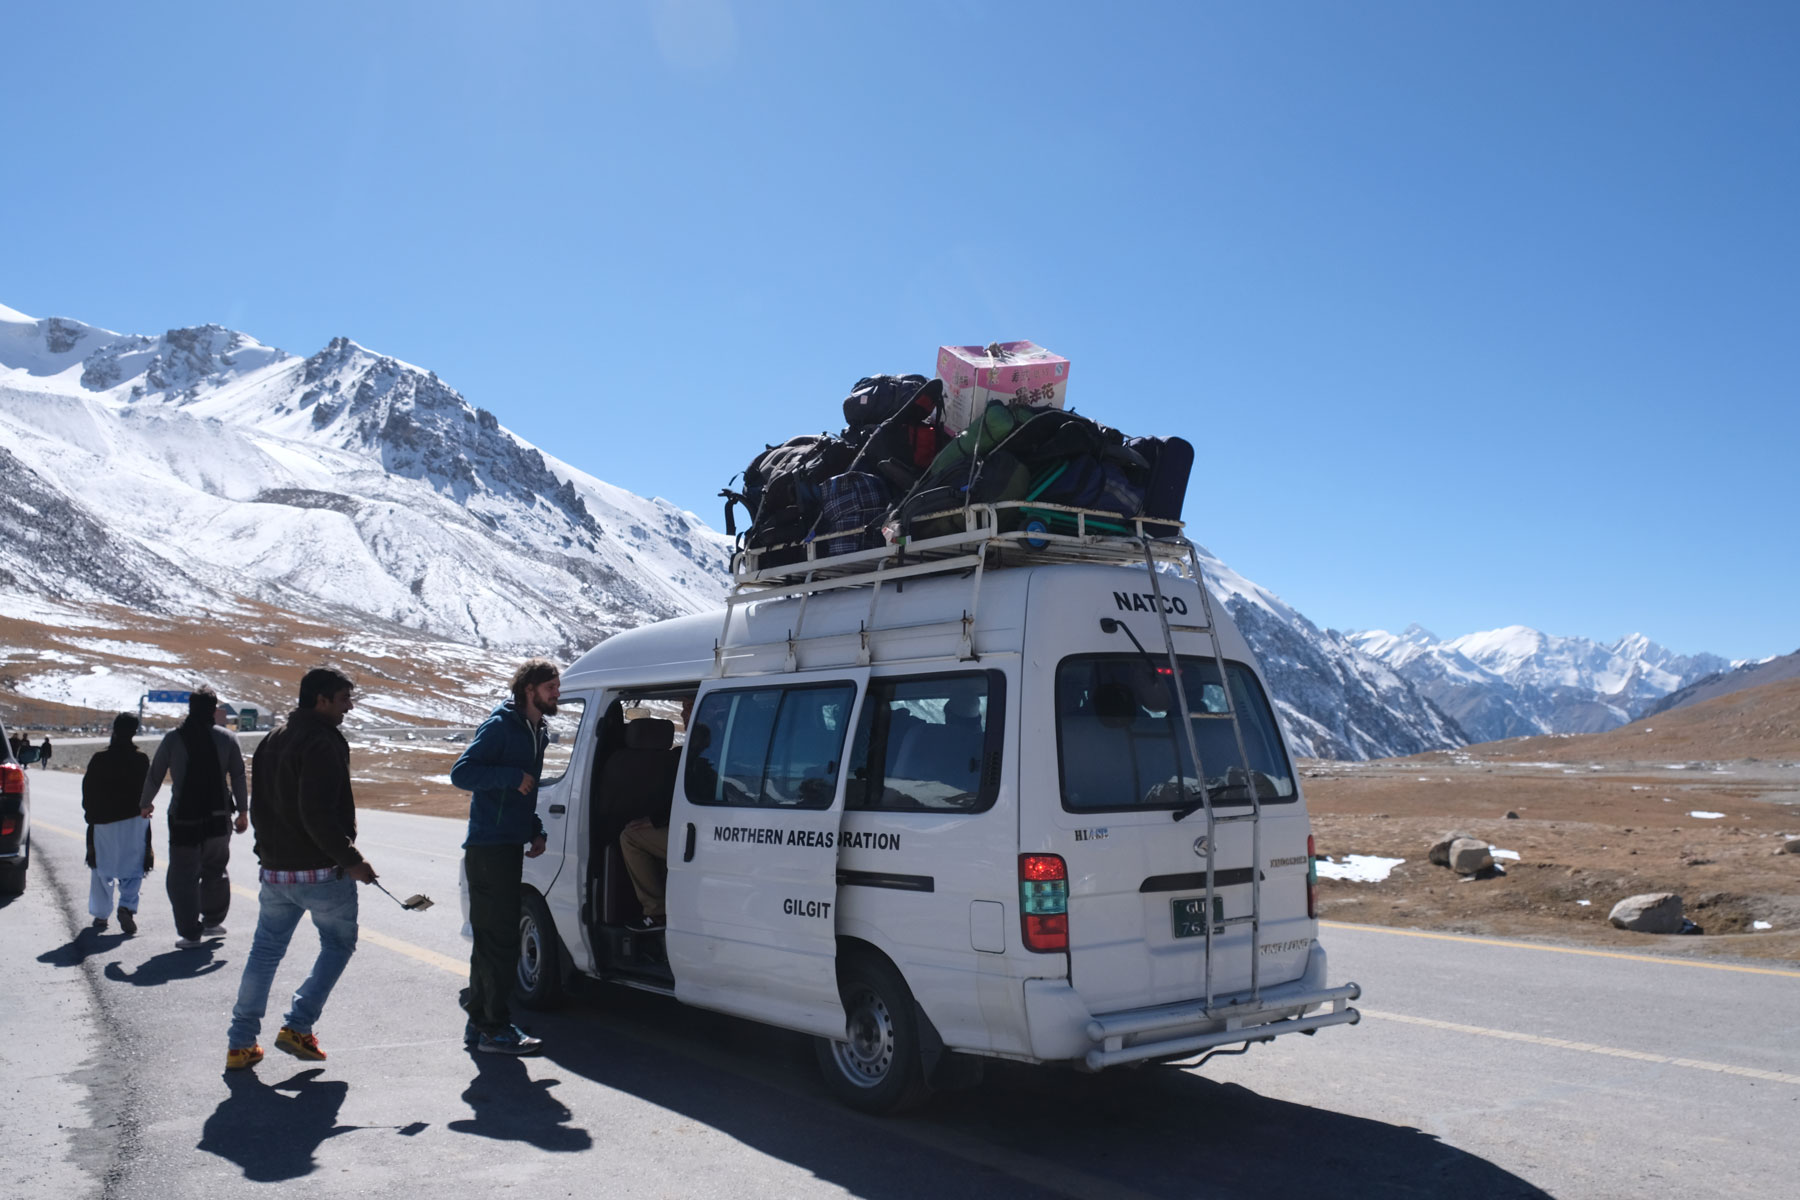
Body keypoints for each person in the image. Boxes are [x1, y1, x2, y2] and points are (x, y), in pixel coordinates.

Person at [225, 668, 377, 1071]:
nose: (349, 707)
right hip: (322, 872)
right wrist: (352, 861)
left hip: (276, 872)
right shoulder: (323, 742)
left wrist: (266, 854)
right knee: (338, 945)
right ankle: (298, 1025)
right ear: (321, 700)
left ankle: (241, 1043)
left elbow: (260, 808)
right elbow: (318, 815)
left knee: (265, 952)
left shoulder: (273, 740)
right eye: (344, 699)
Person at [451, 658, 557, 1055]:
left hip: (508, 844)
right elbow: (462, 773)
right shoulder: (501, 726)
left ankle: (481, 1023)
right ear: (530, 689)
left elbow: (522, 794)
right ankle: (494, 1027)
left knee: (495, 939)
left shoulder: (536, 730)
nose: (556, 695)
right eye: (551, 688)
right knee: (499, 940)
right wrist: (510, 777)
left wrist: (534, 830)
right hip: (488, 846)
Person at [140, 688, 248, 948]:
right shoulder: (228, 739)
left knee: (182, 876)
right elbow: (239, 776)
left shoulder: (174, 739)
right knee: (216, 869)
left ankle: (189, 933)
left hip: (183, 819)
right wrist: (243, 811)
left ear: (190, 708)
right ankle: (213, 921)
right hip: (219, 817)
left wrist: (145, 803)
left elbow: (155, 774)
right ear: (213, 710)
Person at [618, 698, 691, 932]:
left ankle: (657, 913)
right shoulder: (693, 747)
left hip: (699, 834)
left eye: (689, 707)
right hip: (700, 829)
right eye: (684, 707)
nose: (683, 714)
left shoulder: (701, 743)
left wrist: (656, 819)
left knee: (629, 837)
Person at [82, 714, 151, 934]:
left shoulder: (100, 759)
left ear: (114, 729)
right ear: (134, 731)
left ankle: (101, 916)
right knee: (134, 867)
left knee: (101, 869)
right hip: (135, 821)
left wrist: (91, 816)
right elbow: (148, 789)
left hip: (103, 822)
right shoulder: (141, 759)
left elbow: (88, 790)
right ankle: (127, 907)